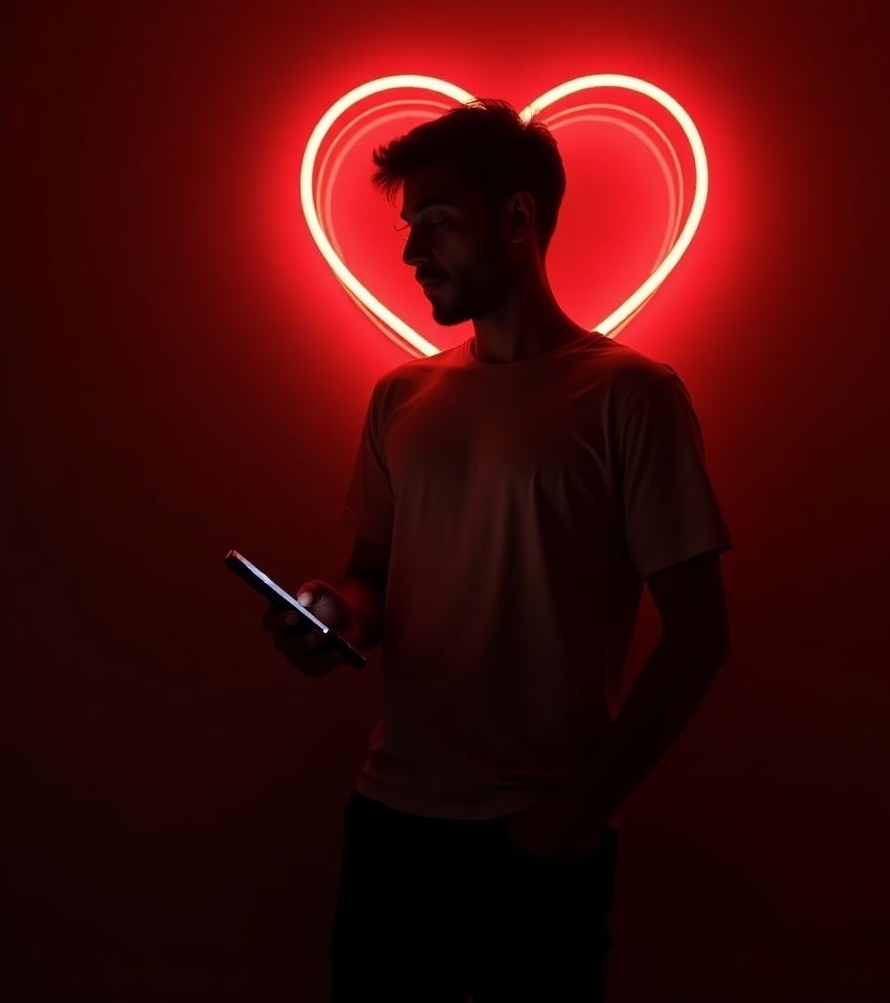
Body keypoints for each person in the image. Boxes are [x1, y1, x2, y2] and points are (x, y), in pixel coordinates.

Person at [262, 98, 733, 1002]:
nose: (410, 254)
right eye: (410, 228)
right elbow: (373, 582)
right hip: (390, 819)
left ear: (518, 218)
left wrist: (578, 814)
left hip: (538, 833)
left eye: (435, 221)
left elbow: (700, 637)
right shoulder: (400, 397)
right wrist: (330, 616)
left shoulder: (633, 397)